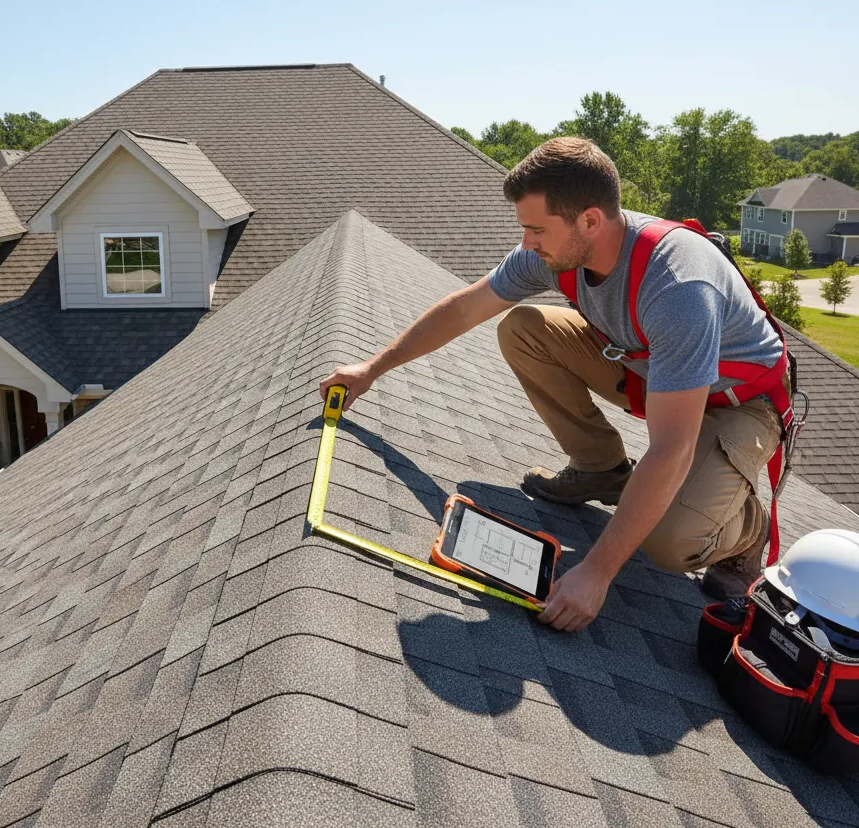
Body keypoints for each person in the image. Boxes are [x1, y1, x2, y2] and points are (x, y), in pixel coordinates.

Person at [319, 137, 786, 633]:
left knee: (671, 542)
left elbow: (672, 447)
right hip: (652, 371)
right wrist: (371, 368)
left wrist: (596, 572)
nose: (527, 244)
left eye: (537, 230)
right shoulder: (553, 251)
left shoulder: (679, 287)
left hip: (737, 402)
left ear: (590, 220)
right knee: (523, 328)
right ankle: (600, 469)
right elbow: (464, 308)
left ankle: (746, 530)